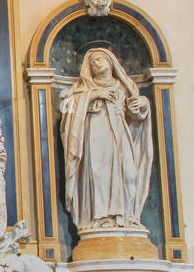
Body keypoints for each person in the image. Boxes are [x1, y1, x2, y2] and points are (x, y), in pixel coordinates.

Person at [60, 47, 153, 231]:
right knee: (98, 175)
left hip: (120, 135)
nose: (96, 64)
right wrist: (91, 96)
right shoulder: (82, 89)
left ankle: (128, 217)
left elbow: (135, 117)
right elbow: (66, 109)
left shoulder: (124, 86)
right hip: (95, 136)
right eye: (93, 62)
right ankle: (100, 217)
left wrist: (143, 105)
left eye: (100, 59)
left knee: (129, 174)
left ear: (111, 62)